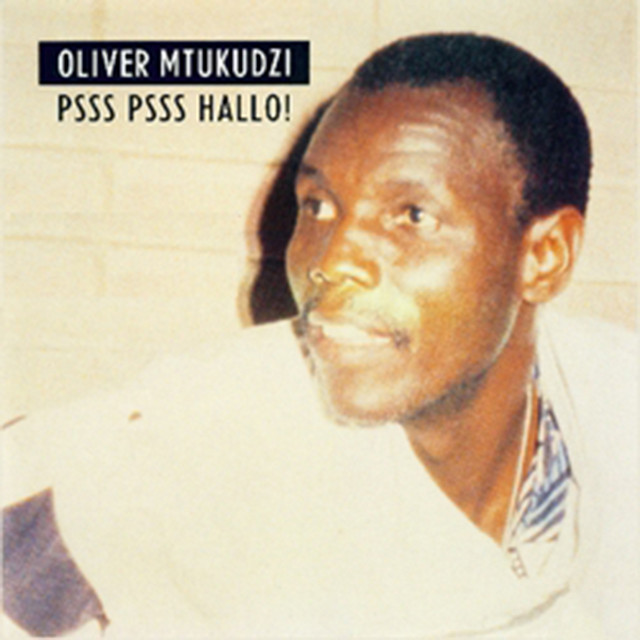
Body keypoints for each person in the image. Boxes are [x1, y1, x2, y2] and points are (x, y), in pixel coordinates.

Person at [3, 34, 637, 638]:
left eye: (412, 216)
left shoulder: (614, 404)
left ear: (544, 256)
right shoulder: (201, 436)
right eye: (319, 207)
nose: (330, 262)